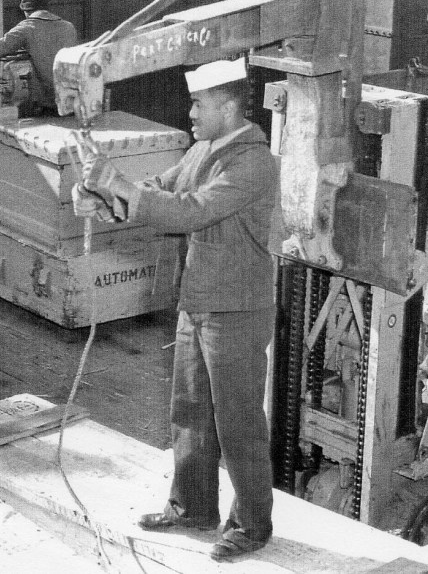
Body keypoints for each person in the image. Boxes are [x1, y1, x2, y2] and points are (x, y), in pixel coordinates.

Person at [79, 56, 279, 562]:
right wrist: (103, 195)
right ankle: (192, 508)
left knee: (237, 420)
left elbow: (193, 211)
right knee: (190, 410)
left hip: (237, 308)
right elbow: (159, 192)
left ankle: (252, 525)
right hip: (198, 301)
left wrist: (119, 186)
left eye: (197, 104)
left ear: (228, 108)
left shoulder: (253, 162)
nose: (189, 113)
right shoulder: (202, 151)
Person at [0, 0, 77, 115]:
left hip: (47, 105)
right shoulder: (69, 27)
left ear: (25, 9)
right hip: (71, 102)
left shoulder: (27, 28)